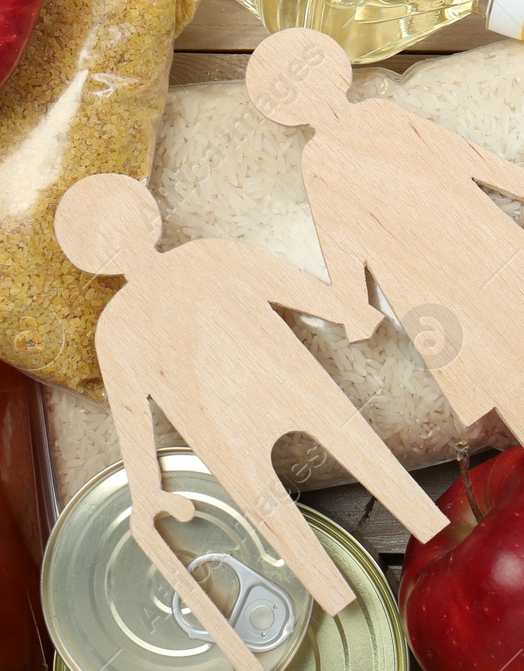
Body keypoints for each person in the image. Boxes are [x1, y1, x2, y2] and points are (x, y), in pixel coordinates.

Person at [244, 28, 524, 452]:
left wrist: (522, 184)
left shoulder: (378, 118)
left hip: (470, 229)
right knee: (482, 361)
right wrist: (353, 299)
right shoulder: (319, 159)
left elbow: (460, 156)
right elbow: (339, 235)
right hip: (413, 269)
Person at [54, 173, 448, 637]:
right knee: (336, 473)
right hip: (253, 408)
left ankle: (365, 589)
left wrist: (148, 491)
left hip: (265, 397)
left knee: (304, 492)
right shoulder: (157, 296)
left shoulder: (123, 321)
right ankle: (353, 601)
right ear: (148, 219)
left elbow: (132, 416)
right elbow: (132, 414)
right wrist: (346, 309)